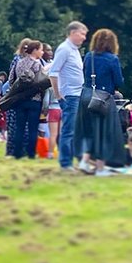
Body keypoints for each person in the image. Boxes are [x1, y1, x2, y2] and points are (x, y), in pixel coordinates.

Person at [76, 28, 125, 173]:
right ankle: (100, 167)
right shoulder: (113, 59)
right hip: (102, 99)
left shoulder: (88, 56)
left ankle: (84, 161)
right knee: (104, 133)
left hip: (86, 95)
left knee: (88, 130)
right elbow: (118, 81)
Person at [47, 20, 88, 170]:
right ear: (73, 33)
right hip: (70, 95)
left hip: (77, 94)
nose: (84, 37)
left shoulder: (74, 50)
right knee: (68, 130)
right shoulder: (64, 49)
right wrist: (58, 95)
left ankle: (70, 160)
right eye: (82, 34)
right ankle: (65, 163)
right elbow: (53, 73)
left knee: (73, 130)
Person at [10, 40, 46, 159]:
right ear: (35, 50)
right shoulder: (38, 64)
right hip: (34, 99)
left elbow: (11, 79)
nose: (42, 52)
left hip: (20, 99)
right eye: (41, 49)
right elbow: (41, 82)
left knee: (19, 127)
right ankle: (31, 153)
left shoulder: (19, 63)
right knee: (33, 128)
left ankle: (17, 153)